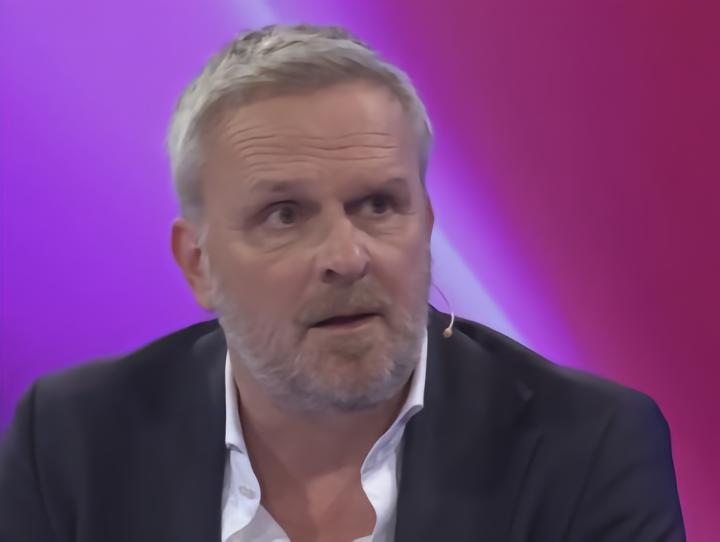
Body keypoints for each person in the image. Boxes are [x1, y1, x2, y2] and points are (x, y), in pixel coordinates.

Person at [0, 24, 685, 542]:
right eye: (284, 214)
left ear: (426, 225)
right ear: (198, 264)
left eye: (379, 205)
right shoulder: (71, 441)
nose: (347, 256)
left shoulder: (587, 447)